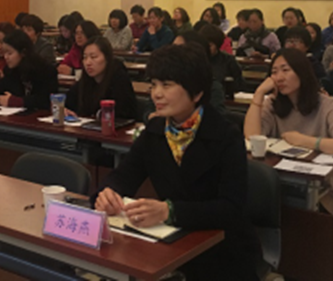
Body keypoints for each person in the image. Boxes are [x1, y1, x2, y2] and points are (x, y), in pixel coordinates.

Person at [95, 44, 260, 280]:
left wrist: (169, 210)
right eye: (153, 84)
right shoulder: (155, 131)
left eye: (166, 85)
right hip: (171, 244)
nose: (156, 94)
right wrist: (107, 194)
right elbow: (123, 176)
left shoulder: (226, 135)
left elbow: (230, 208)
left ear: (197, 93)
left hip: (223, 251)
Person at [244, 48, 333, 215]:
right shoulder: (274, 102)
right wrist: (259, 94)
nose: (279, 77)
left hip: (322, 186)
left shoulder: (327, 105)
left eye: (285, 70)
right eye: (274, 72)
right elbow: (252, 137)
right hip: (281, 179)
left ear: (302, 72)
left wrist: (304, 141)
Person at [65, 37, 137, 120]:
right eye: (85, 57)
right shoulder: (86, 80)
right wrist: (65, 109)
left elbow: (122, 113)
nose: (88, 62)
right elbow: (70, 101)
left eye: (93, 57)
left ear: (107, 58)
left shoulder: (119, 78)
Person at [0, 29, 58, 110]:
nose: (6, 57)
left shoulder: (45, 70)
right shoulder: (11, 70)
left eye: (9, 53)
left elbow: (46, 100)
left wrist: (18, 101)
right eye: (4, 53)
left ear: (23, 52)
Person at [199, 24, 245, 101]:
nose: (206, 48)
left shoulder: (228, 60)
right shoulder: (197, 59)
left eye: (210, 46)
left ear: (217, 45)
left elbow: (239, 83)